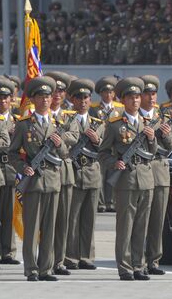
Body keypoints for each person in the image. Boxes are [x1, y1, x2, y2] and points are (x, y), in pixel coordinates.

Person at [9, 76, 68, 281]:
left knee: (50, 228)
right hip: (33, 182)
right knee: (32, 228)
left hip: (52, 181)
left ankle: (46, 268)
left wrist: (59, 144)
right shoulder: (25, 124)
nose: (45, 100)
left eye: (48, 96)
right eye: (41, 96)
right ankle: (32, 269)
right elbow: (13, 152)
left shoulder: (58, 123)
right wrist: (23, 167)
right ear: (33, 100)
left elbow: (65, 154)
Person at [98, 77, 157, 281]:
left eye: (137, 97)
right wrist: (115, 163)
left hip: (146, 179)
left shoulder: (147, 123)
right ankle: (124, 267)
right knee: (126, 225)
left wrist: (151, 138)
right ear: (123, 101)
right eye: (131, 98)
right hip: (126, 180)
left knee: (142, 224)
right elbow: (103, 152)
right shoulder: (115, 125)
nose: (135, 101)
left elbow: (153, 152)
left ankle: (139, 265)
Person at [65, 79, 104, 270]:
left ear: (90, 100)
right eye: (79, 97)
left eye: (86, 97)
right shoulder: (66, 121)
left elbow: (107, 149)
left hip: (92, 173)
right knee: (72, 218)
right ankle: (71, 256)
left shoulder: (98, 123)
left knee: (89, 218)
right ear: (72, 99)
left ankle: (86, 256)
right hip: (73, 172)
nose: (83, 101)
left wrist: (97, 140)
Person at [139, 75, 172, 275]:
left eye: (154, 94)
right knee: (141, 219)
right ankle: (138, 259)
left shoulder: (164, 118)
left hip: (160, 172)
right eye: (147, 94)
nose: (152, 97)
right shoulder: (135, 117)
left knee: (157, 220)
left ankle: (154, 260)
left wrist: (166, 134)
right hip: (142, 170)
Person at [45, 71, 79, 276]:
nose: (58, 94)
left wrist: (59, 138)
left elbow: (74, 137)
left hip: (64, 172)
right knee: (46, 221)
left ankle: (59, 260)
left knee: (63, 219)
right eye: (54, 90)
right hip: (45, 173)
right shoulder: (38, 114)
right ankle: (45, 261)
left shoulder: (69, 116)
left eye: (62, 90)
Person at [89, 75, 124, 213]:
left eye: (111, 92)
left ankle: (112, 202)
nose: (108, 95)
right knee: (101, 174)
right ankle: (101, 202)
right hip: (99, 144)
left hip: (114, 145)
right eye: (105, 92)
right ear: (101, 93)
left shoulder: (119, 108)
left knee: (113, 173)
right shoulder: (94, 109)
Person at [0, 77, 20, 265]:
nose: (3, 101)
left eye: (6, 98)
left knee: (9, 215)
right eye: (0, 98)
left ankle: (8, 253)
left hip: (11, 171)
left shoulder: (18, 120)